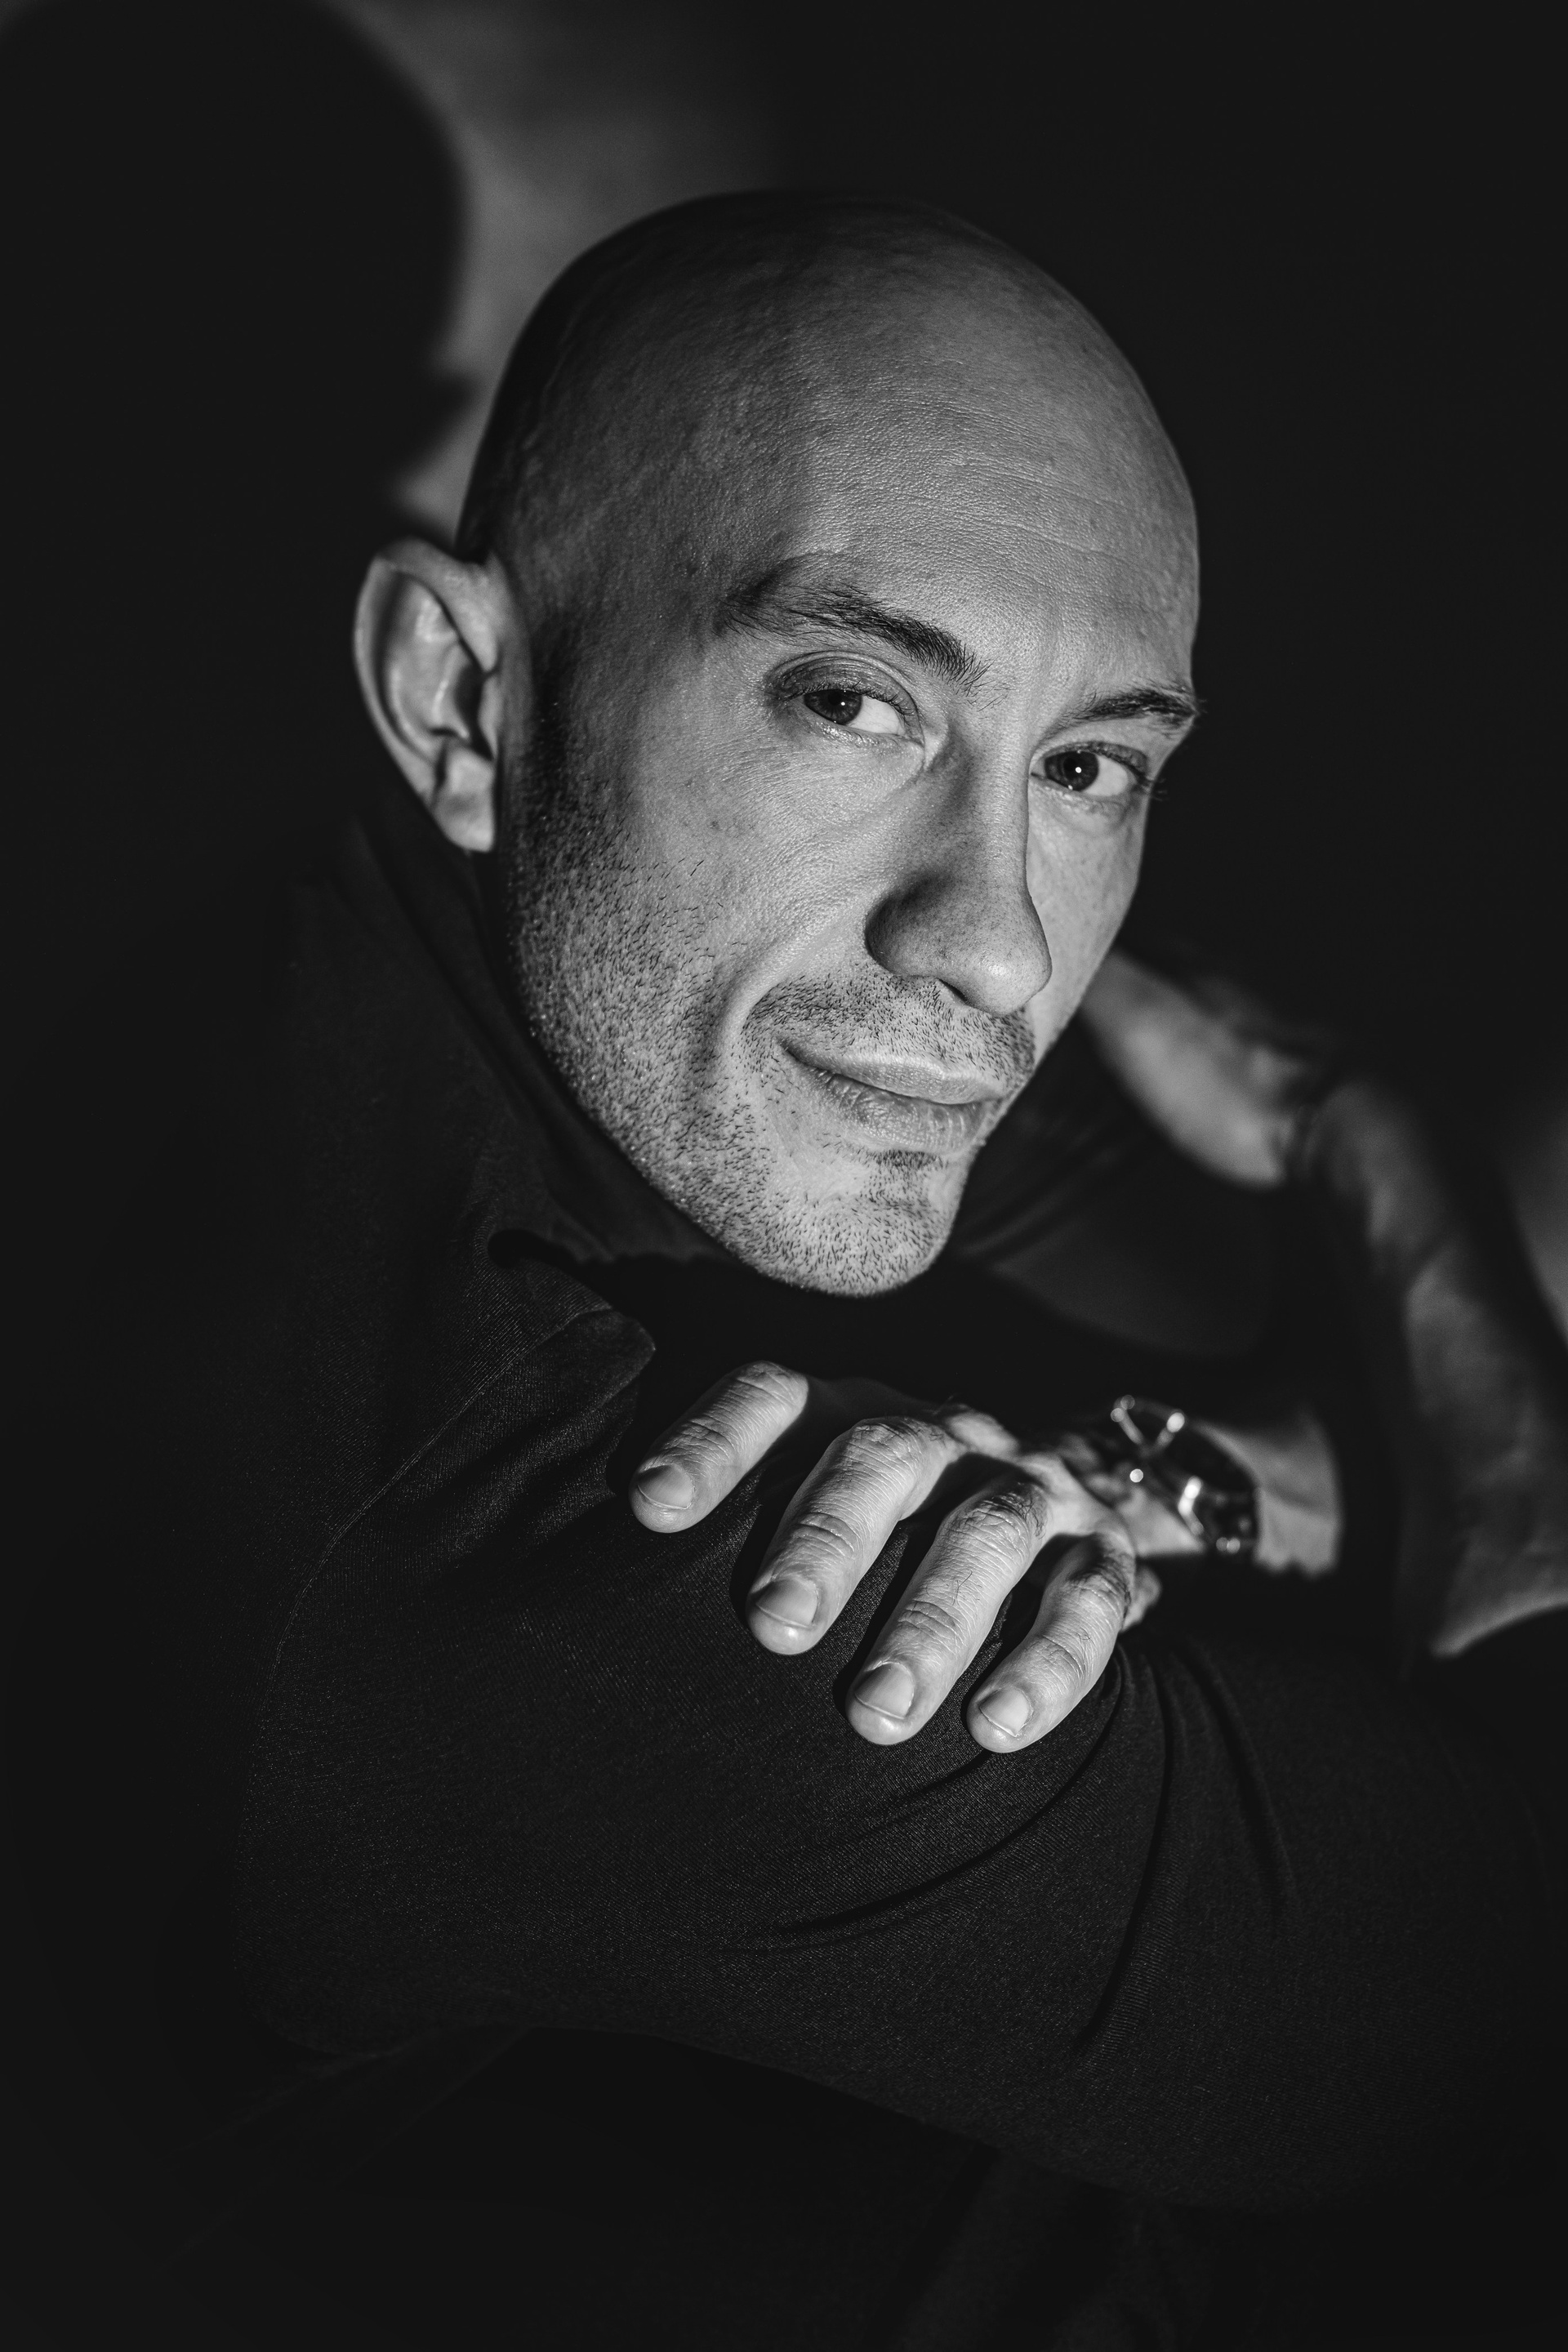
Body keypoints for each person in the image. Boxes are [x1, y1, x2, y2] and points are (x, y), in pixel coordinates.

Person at [11, 192, 1566, 2349]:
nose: (996, 945)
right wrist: (1373, 1149)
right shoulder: (577, 1530)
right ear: (458, 694)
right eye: (854, 701)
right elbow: (1503, 1989)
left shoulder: (359, 955)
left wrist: (1177, 1483)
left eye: (1092, 766)